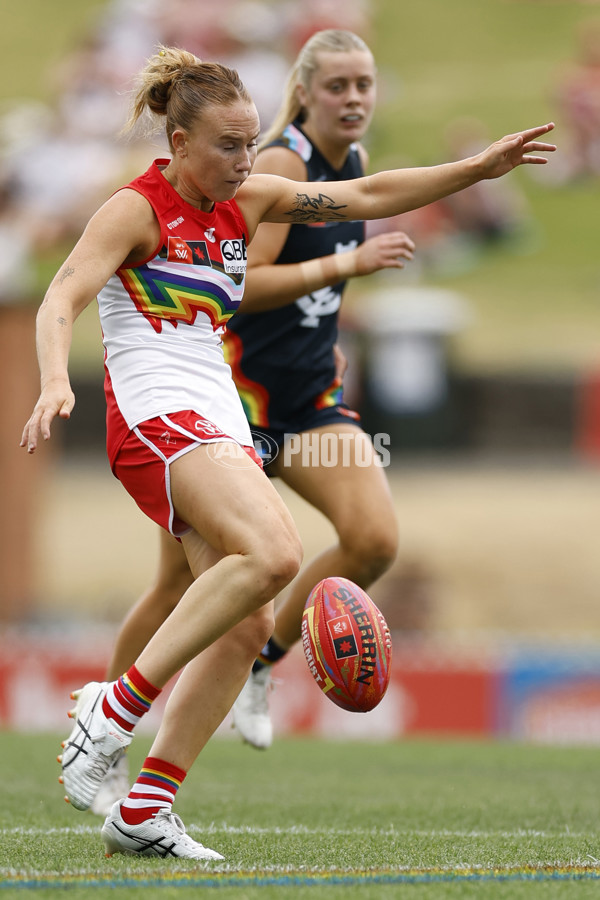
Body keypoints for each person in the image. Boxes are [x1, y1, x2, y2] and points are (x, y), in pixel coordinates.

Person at [21, 44, 555, 860]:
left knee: (247, 622)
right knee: (274, 552)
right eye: (227, 146)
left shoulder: (251, 202)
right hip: (155, 416)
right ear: (178, 145)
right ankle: (114, 709)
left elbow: (370, 192)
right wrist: (55, 379)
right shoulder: (135, 208)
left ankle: (145, 810)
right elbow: (61, 295)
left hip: (218, 416)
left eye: (247, 143)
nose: (245, 160)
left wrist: (476, 170)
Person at [92, 30, 416, 819]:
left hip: (305, 401)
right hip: (229, 399)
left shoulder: (356, 166)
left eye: (365, 84)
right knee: (179, 587)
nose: (355, 99)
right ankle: (105, 728)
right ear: (303, 92)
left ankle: (264, 657)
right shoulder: (274, 165)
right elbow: (248, 286)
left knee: (373, 538)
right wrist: (343, 266)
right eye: (337, 85)